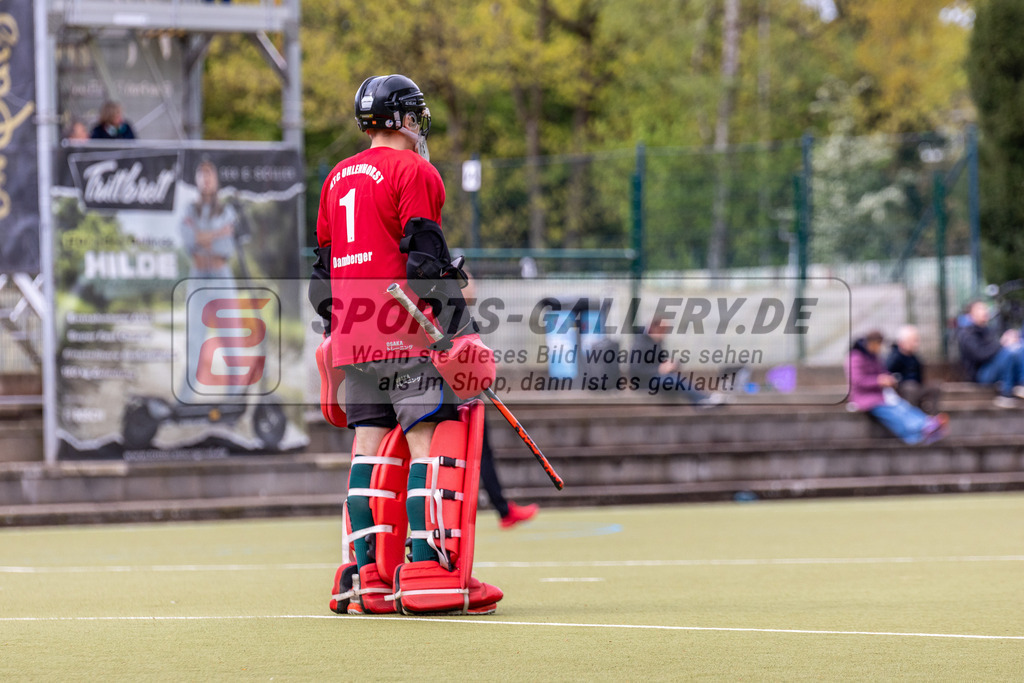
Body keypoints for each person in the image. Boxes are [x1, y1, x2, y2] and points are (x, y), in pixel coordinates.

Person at [310, 74, 501, 616]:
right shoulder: (416, 170)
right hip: (405, 332)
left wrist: (340, 327)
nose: (419, 125)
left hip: (352, 334)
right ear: (404, 119)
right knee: (428, 443)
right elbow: (426, 264)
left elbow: (321, 277)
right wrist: (459, 333)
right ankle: (425, 568)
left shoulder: (336, 178)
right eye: (415, 115)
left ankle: (363, 574)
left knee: (368, 450)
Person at [178, 160, 239, 401]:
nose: (205, 179)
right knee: (194, 342)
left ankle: (233, 402)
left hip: (221, 278)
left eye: (209, 174)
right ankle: (184, 400)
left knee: (231, 342)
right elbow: (189, 241)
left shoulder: (227, 210)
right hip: (198, 278)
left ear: (216, 180)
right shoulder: (189, 209)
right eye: (201, 175)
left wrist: (204, 237)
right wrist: (215, 233)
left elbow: (226, 246)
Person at [848, 330, 948, 444]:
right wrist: (878, 381)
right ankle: (922, 427)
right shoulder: (855, 357)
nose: (879, 349)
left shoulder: (874, 356)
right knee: (894, 412)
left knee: (903, 408)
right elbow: (857, 381)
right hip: (866, 398)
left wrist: (888, 378)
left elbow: (883, 370)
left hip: (881, 395)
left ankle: (926, 424)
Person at [629, 312, 724, 407]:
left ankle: (704, 398)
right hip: (645, 382)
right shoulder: (639, 344)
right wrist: (659, 369)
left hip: (658, 379)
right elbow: (636, 370)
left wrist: (672, 364)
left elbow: (663, 361)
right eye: (663, 330)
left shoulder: (657, 343)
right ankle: (702, 400)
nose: (664, 334)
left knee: (676, 380)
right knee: (674, 380)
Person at [956, 299, 1024, 408]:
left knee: (1019, 347)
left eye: (985, 308)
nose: (985, 311)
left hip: (992, 370)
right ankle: (1006, 394)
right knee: (1008, 352)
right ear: (970, 314)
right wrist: (1002, 343)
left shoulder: (988, 330)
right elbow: (980, 355)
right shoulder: (966, 334)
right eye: (980, 308)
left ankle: (1021, 384)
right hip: (980, 375)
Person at [885, 324, 941, 414]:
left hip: (917, 386)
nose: (916, 344)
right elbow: (888, 374)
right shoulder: (894, 357)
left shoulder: (914, 357)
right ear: (903, 342)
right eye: (913, 341)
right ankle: (910, 416)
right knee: (911, 387)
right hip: (903, 389)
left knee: (935, 387)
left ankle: (931, 416)